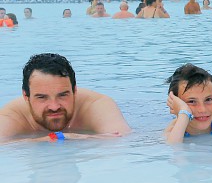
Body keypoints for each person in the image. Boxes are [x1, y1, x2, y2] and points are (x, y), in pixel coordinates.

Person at [0, 53, 131, 140]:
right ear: (26, 96)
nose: (54, 106)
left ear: (75, 91)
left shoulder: (96, 105)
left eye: (62, 95)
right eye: (42, 97)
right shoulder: (12, 116)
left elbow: (121, 141)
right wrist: (59, 138)